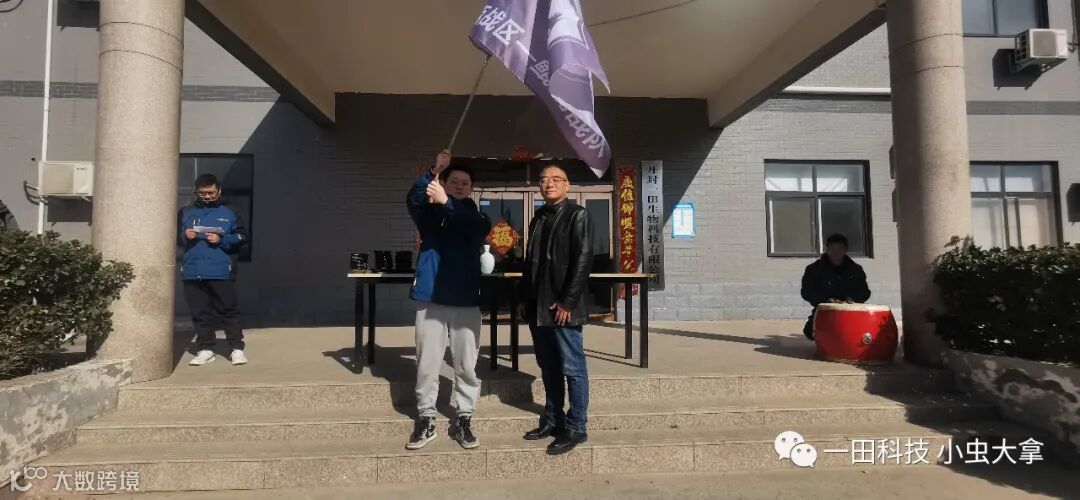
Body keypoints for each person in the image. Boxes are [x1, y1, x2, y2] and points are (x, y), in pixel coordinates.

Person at [405, 149, 491, 450]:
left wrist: (447, 202)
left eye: (465, 183)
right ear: (444, 183)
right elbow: (414, 199)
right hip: (431, 299)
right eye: (454, 181)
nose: (459, 186)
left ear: (472, 189)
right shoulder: (429, 216)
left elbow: (472, 225)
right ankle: (426, 418)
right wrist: (433, 171)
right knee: (427, 363)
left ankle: (464, 417)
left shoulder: (477, 217)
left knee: (466, 364)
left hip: (465, 300)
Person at [518, 164, 593, 455]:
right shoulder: (538, 217)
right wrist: (524, 298)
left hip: (562, 307)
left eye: (555, 179)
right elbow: (531, 263)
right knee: (548, 366)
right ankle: (552, 418)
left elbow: (583, 260)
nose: (549, 184)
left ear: (567, 185)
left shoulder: (577, 214)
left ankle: (577, 426)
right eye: (544, 180)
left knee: (572, 367)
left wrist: (567, 302)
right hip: (538, 305)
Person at [178, 174, 250, 365]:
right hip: (192, 271)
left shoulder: (231, 211)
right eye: (203, 193)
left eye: (211, 192)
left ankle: (236, 349)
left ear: (219, 190)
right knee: (200, 313)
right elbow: (175, 239)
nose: (207, 196)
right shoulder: (186, 212)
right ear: (197, 192)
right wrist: (185, 235)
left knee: (228, 311)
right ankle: (205, 349)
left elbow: (243, 237)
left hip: (221, 270)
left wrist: (222, 239)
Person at [800, 233, 871, 340]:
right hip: (825, 311)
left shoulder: (855, 270)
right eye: (832, 248)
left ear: (845, 249)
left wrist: (851, 299)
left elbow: (864, 292)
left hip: (850, 312)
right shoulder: (814, 269)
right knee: (811, 331)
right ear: (826, 249)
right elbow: (807, 291)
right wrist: (826, 300)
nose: (835, 252)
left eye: (839, 248)